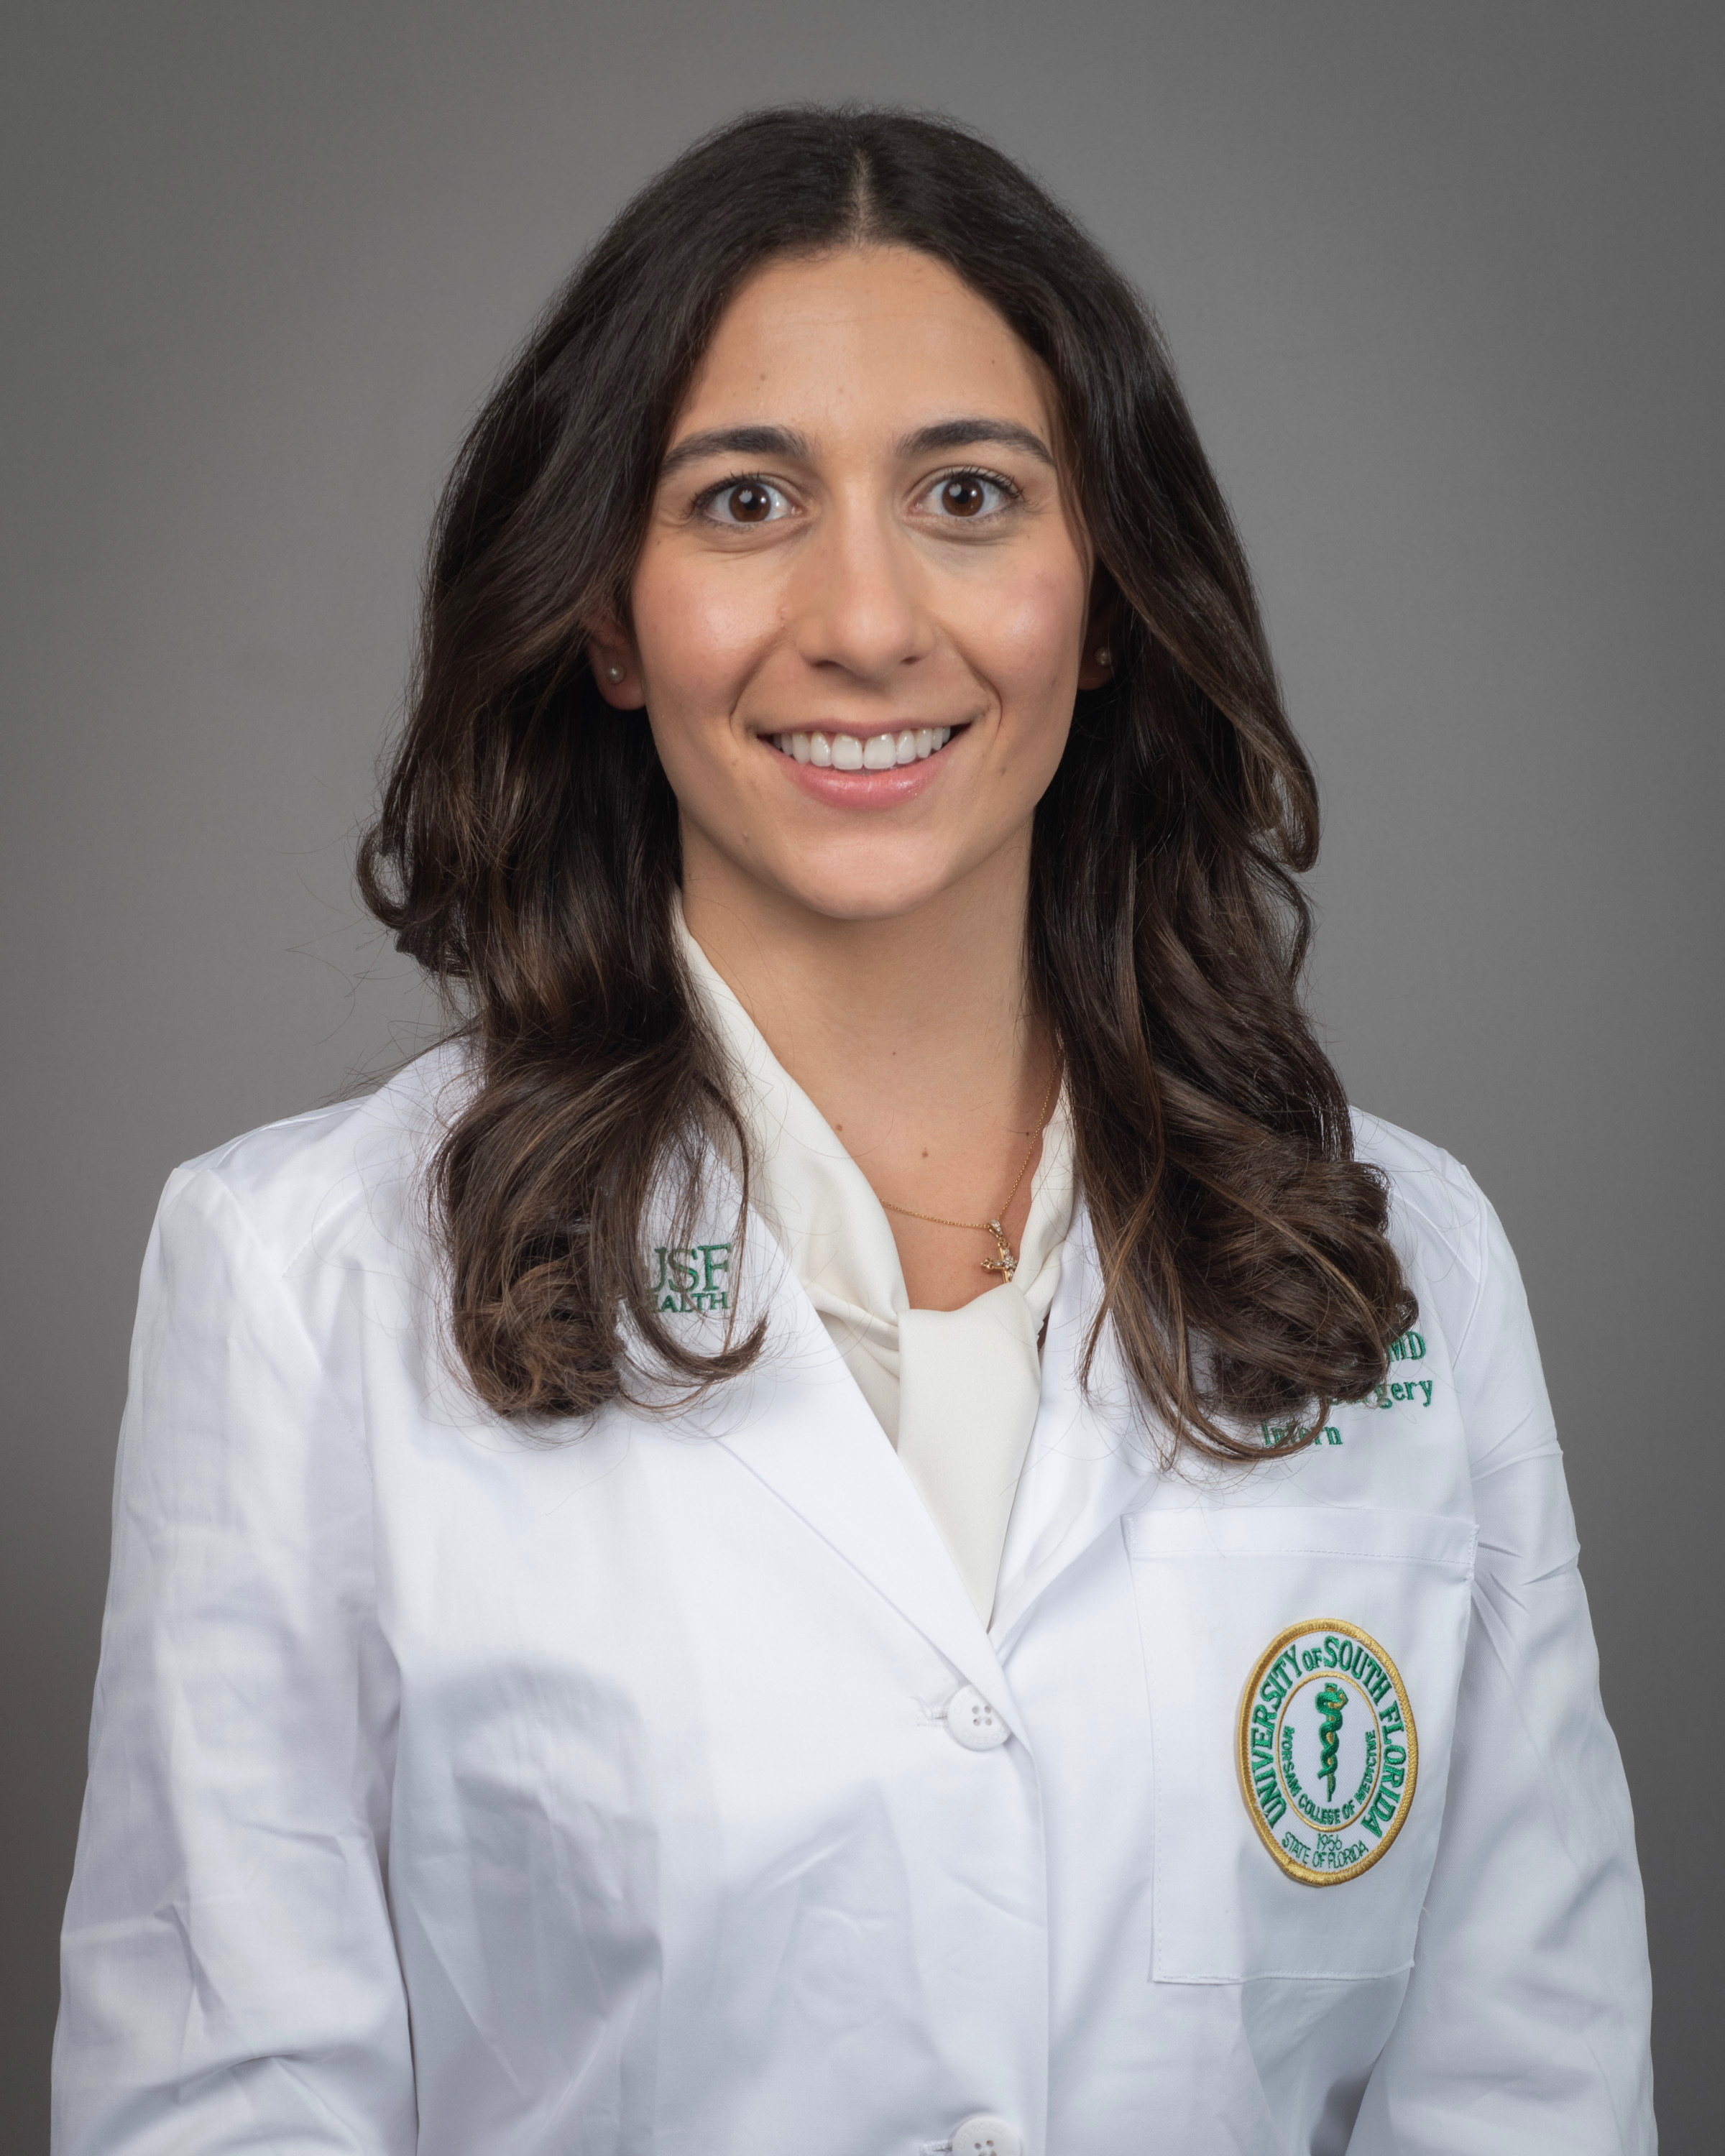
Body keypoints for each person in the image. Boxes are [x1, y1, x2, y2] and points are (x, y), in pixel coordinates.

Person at [53, 106, 1654, 2155]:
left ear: (1107, 596)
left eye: (970, 496)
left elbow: (1527, 2093)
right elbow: (222, 2114)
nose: (870, 620)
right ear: (608, 618)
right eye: (743, 503)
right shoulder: (305, 1280)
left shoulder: (1405, 1265)